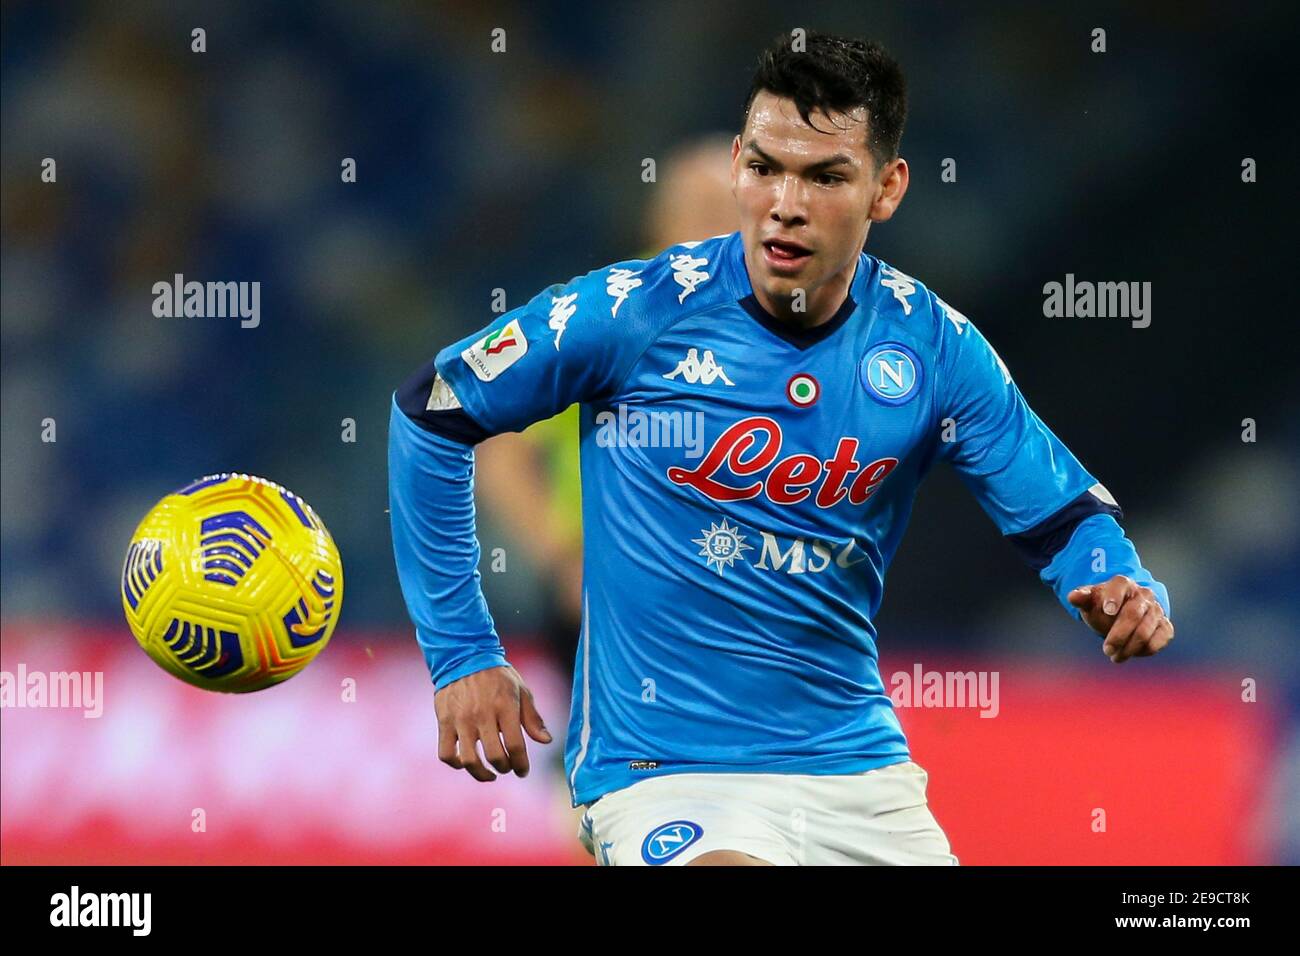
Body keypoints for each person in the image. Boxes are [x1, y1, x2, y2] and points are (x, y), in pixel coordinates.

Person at [388, 31, 1173, 866]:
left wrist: (1117, 579)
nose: (785, 204)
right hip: (666, 773)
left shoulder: (934, 347)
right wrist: (463, 653)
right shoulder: (630, 311)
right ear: (738, 166)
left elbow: (1062, 514)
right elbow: (432, 411)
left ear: (887, 188)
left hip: (859, 774)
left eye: (826, 177)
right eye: (766, 168)